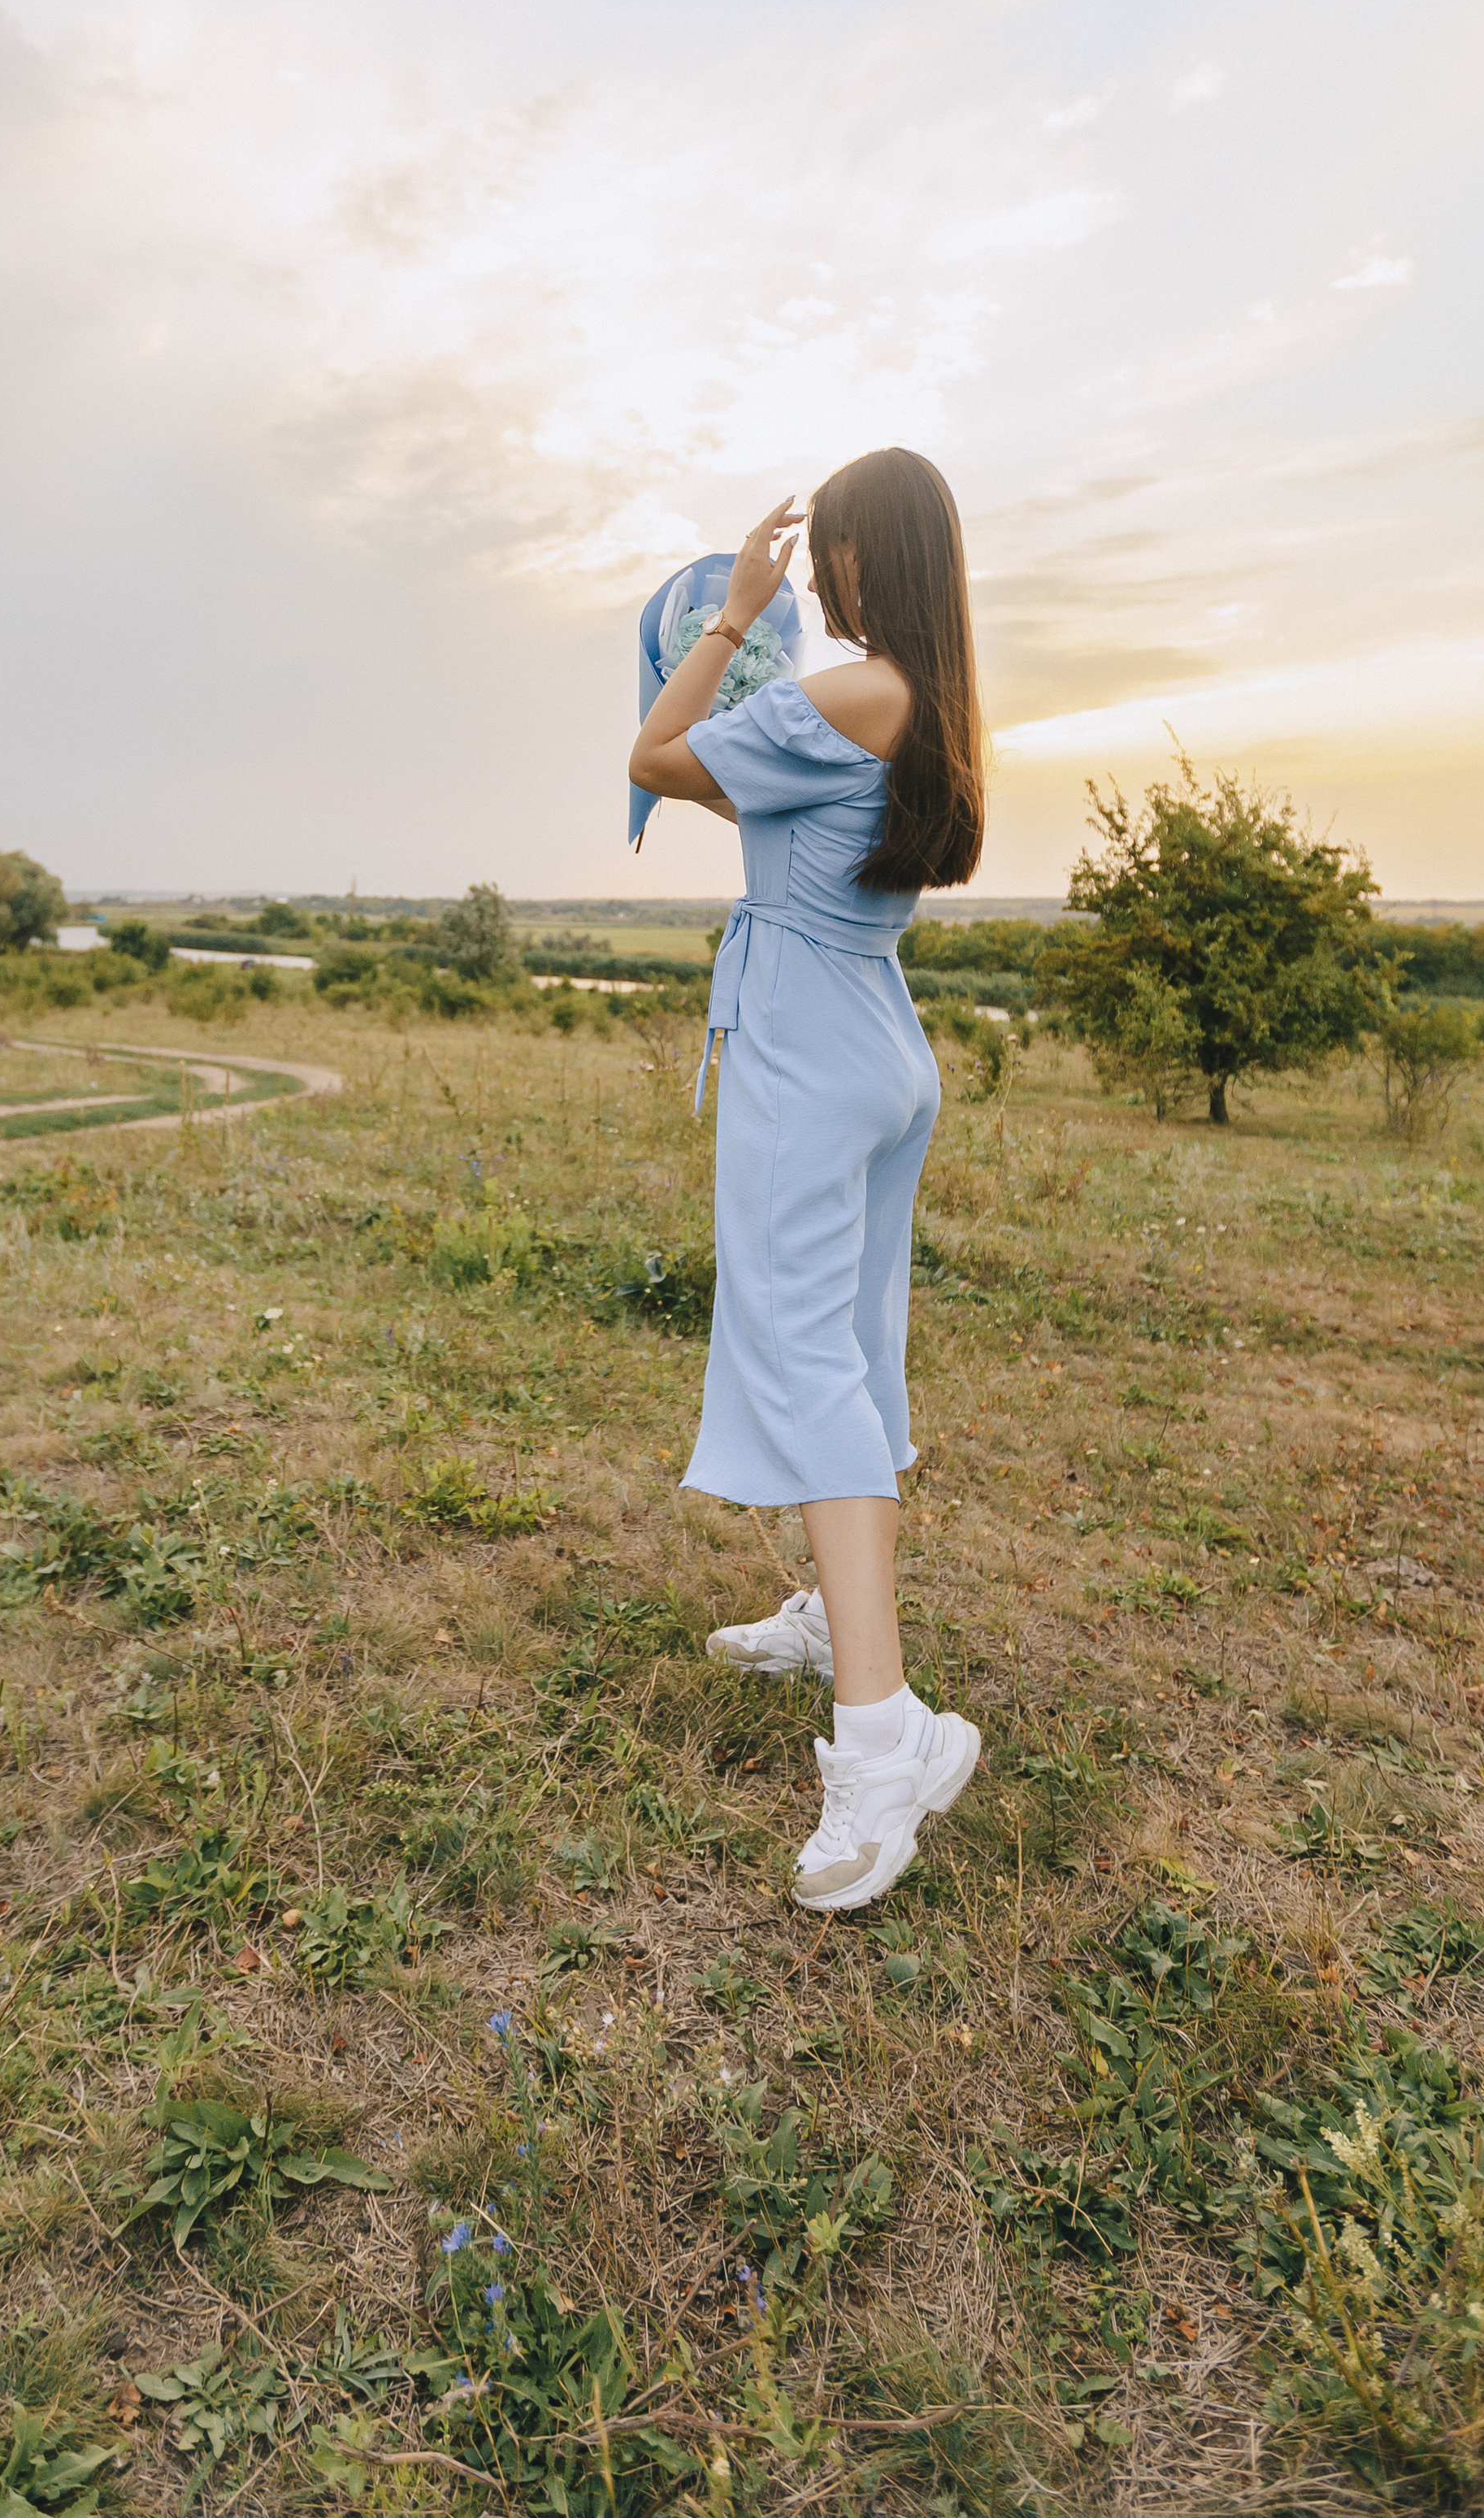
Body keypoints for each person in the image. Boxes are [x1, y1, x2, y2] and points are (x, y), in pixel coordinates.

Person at [627, 447, 985, 1910]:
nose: (815, 578)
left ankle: (881, 1742)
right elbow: (750, 813)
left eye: (828, 553)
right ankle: (846, 1628)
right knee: (851, 1341)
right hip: (878, 1040)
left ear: (862, 560)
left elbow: (656, 758)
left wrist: (725, 618)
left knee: (802, 1353)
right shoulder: (919, 703)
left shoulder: (839, 696)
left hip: (806, 1046)